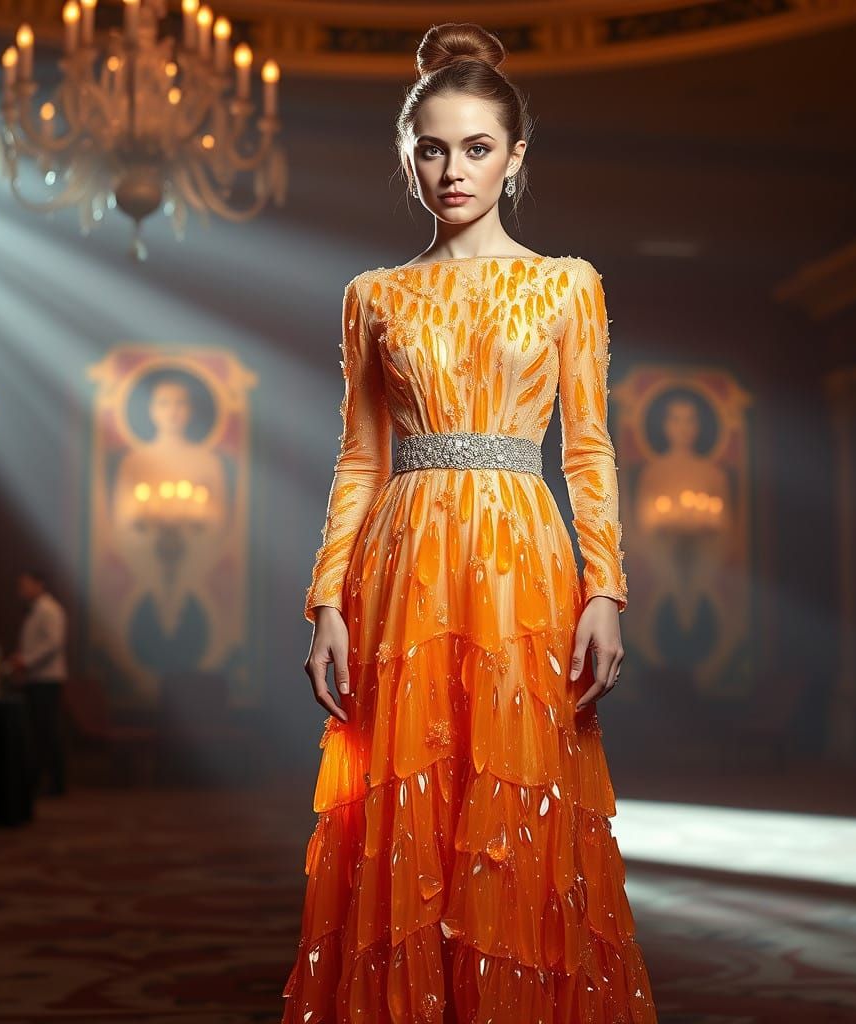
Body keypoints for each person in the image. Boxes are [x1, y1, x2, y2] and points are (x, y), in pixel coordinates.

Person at [282, 21, 658, 1024]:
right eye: (434, 149)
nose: (454, 169)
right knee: (404, 801)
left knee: (514, 791)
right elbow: (358, 458)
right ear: (408, 158)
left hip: (524, 563)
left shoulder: (566, 283)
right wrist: (325, 601)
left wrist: (607, 589)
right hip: (400, 562)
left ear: (515, 156)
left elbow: (587, 450)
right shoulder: (373, 296)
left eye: (477, 147)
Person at [4, 568, 68, 797]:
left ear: (38, 584)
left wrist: (26, 660)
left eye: (25, 584)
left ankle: (57, 783)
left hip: (47, 680)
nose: (21, 590)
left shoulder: (49, 610)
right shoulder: (35, 611)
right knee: (38, 732)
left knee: (47, 731)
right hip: (35, 679)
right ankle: (38, 781)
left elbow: (53, 644)